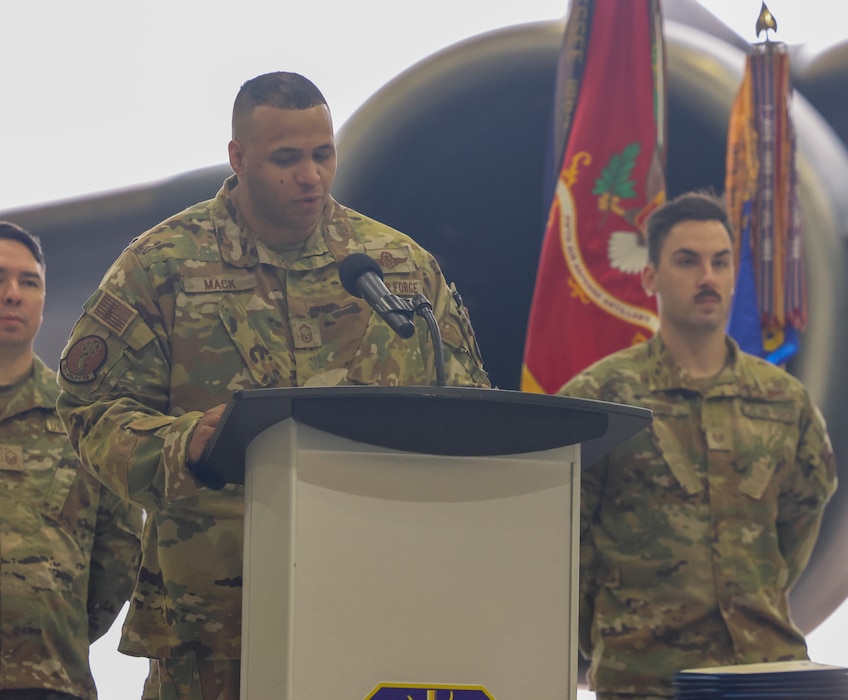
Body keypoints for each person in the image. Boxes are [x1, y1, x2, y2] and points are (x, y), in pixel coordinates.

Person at [55, 71, 489, 700]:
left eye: (322, 155)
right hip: (211, 621)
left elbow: (467, 404)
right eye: (286, 159)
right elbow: (90, 411)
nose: (310, 176)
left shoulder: (396, 267)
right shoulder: (162, 265)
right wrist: (183, 444)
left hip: (375, 603)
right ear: (238, 157)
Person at [558, 191, 837, 699]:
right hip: (649, 680)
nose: (707, 277)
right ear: (650, 278)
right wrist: (616, 633)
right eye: (687, 261)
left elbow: (798, 523)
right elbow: (563, 542)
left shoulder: (784, 400)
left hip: (767, 675)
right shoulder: (600, 399)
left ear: (734, 276)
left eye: (720, 262)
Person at [0, 221, 142, 700]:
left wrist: (50, 624)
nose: (13, 294)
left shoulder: (83, 419)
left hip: (49, 679)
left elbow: (119, 551)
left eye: (29, 282)